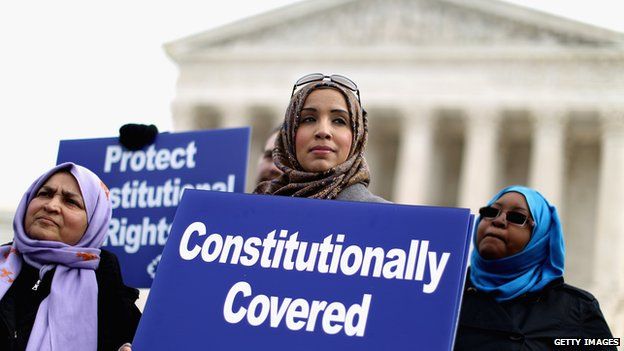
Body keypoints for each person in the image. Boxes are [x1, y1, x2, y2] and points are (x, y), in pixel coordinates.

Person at [0, 162, 141, 351]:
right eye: (44, 194)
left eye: (71, 201)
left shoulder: (105, 284)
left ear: (93, 222)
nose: (51, 206)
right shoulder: (3, 261)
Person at [454, 185, 614, 351]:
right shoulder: (446, 291)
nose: (498, 220)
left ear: (540, 237)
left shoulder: (579, 308)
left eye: (516, 217)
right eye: (490, 212)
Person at [254, 73, 388, 203]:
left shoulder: (383, 217)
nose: (323, 131)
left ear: (357, 137)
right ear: (289, 133)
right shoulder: (257, 205)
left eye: (339, 121)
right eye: (309, 119)